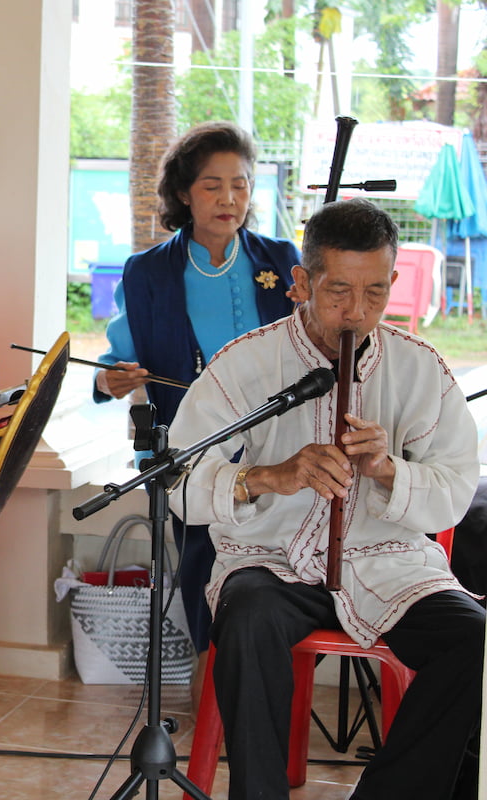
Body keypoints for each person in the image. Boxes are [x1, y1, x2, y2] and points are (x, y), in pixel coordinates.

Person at [168, 197, 484, 800]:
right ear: (302, 283)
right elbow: (179, 478)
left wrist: (389, 470)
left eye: (374, 293)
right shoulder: (248, 363)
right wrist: (269, 477)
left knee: (476, 639)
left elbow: (454, 490)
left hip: (386, 561)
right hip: (272, 560)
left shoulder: (421, 370)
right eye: (338, 291)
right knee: (248, 619)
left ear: (393, 283)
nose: (355, 313)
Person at [94, 122, 301, 662]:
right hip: (191, 455)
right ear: (184, 193)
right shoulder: (148, 273)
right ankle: (215, 698)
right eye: (212, 185)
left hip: (280, 450)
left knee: (274, 581)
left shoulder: (281, 260)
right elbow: (116, 362)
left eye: (241, 184)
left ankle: (260, 690)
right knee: (201, 575)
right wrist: (110, 378)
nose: (229, 199)